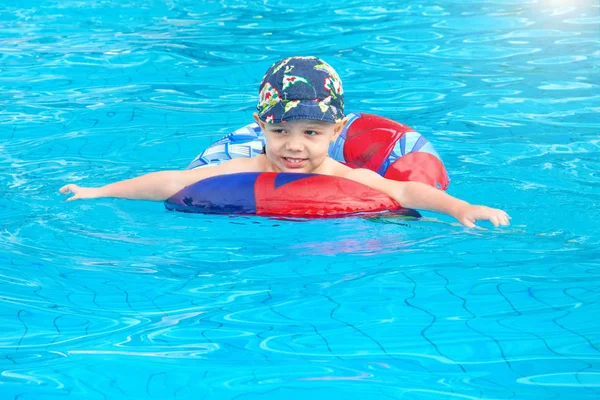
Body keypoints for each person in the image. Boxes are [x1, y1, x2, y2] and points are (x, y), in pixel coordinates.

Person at [60, 56, 510, 228]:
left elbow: (406, 190)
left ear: (336, 133)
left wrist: (460, 208)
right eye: (280, 132)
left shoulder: (343, 171)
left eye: (312, 133)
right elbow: (173, 182)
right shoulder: (246, 167)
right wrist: (99, 191)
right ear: (261, 127)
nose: (294, 146)